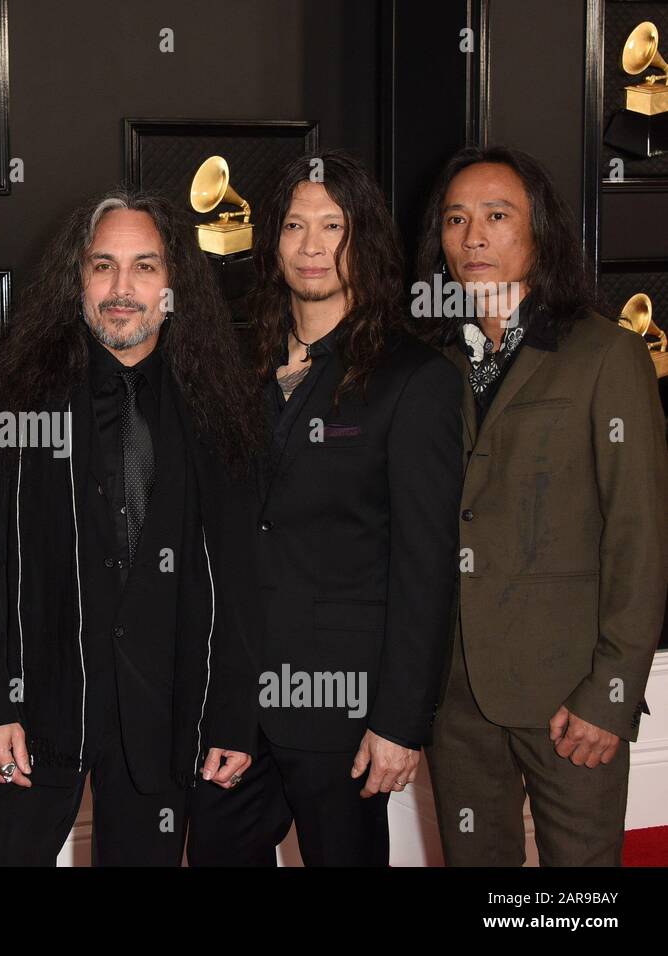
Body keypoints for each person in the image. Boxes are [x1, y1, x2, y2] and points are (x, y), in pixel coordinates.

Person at [0, 188, 265, 866]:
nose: (122, 288)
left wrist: (232, 711)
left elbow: (238, 574)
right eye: (103, 266)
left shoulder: (219, 404)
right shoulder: (7, 390)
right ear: (77, 280)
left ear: (175, 285)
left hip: (162, 719)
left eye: (145, 267)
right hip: (32, 715)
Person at [187, 151, 463, 866]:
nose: (312, 246)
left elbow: (427, 566)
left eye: (333, 226)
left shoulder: (414, 378)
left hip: (345, 709)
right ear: (272, 242)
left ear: (362, 238)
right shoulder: (239, 367)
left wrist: (401, 722)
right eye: (294, 226)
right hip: (238, 710)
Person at [417, 145, 668, 866]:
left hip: (573, 695)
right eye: (456, 219)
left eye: (497, 215)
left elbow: (639, 538)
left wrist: (611, 694)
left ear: (540, 231)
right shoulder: (429, 361)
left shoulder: (606, 355)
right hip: (455, 696)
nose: (473, 237)